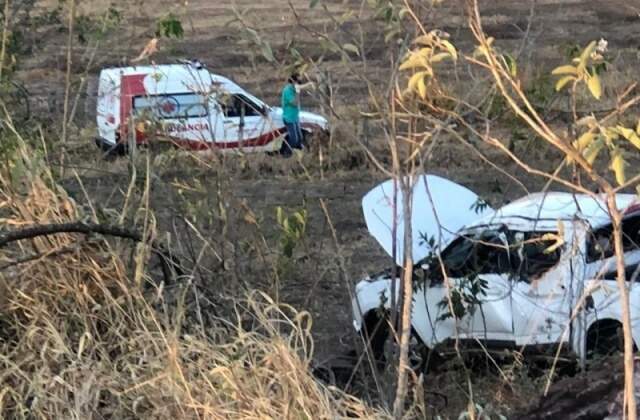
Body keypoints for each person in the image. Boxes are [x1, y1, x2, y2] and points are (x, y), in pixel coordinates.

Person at [280, 73, 313, 157]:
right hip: (289, 118)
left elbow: (301, 86)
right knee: (294, 139)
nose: (300, 82)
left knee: (300, 137)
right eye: (298, 81)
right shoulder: (287, 91)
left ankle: (299, 155)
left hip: (295, 117)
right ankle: (286, 154)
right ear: (294, 81)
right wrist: (298, 93)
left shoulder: (293, 87)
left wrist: (309, 84)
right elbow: (294, 103)